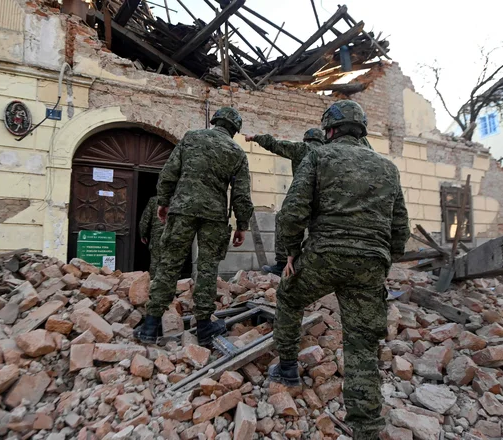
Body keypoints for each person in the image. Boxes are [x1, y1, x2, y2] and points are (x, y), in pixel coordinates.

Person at [268, 100, 410, 440]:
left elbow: (292, 212)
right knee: (361, 344)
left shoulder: (318, 156)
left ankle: (287, 369)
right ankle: (367, 428)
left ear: (329, 130)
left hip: (324, 256)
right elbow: (400, 225)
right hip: (370, 265)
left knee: (289, 297)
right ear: (360, 129)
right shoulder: (388, 168)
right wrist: (385, 259)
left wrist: (289, 253)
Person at [134, 107, 254, 346]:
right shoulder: (237, 153)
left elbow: (169, 172)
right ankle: (205, 328)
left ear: (215, 121)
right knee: (208, 269)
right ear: (235, 130)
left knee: (169, 263)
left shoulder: (191, 138)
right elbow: (241, 194)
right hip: (214, 216)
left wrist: (164, 201)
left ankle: (151, 325)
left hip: (182, 209)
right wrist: (242, 225)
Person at [244, 128, 325, 276]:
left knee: (283, 219)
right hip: (327, 202)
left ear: (306, 140)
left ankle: (282, 264)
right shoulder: (329, 152)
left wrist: (254, 137)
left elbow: (275, 144)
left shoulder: (302, 149)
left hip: (305, 197)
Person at [138, 195, 164, 278]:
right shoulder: (178, 199)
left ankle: (153, 283)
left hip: (158, 233)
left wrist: (143, 234)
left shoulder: (154, 200)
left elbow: (145, 219)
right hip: (174, 233)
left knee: (155, 260)